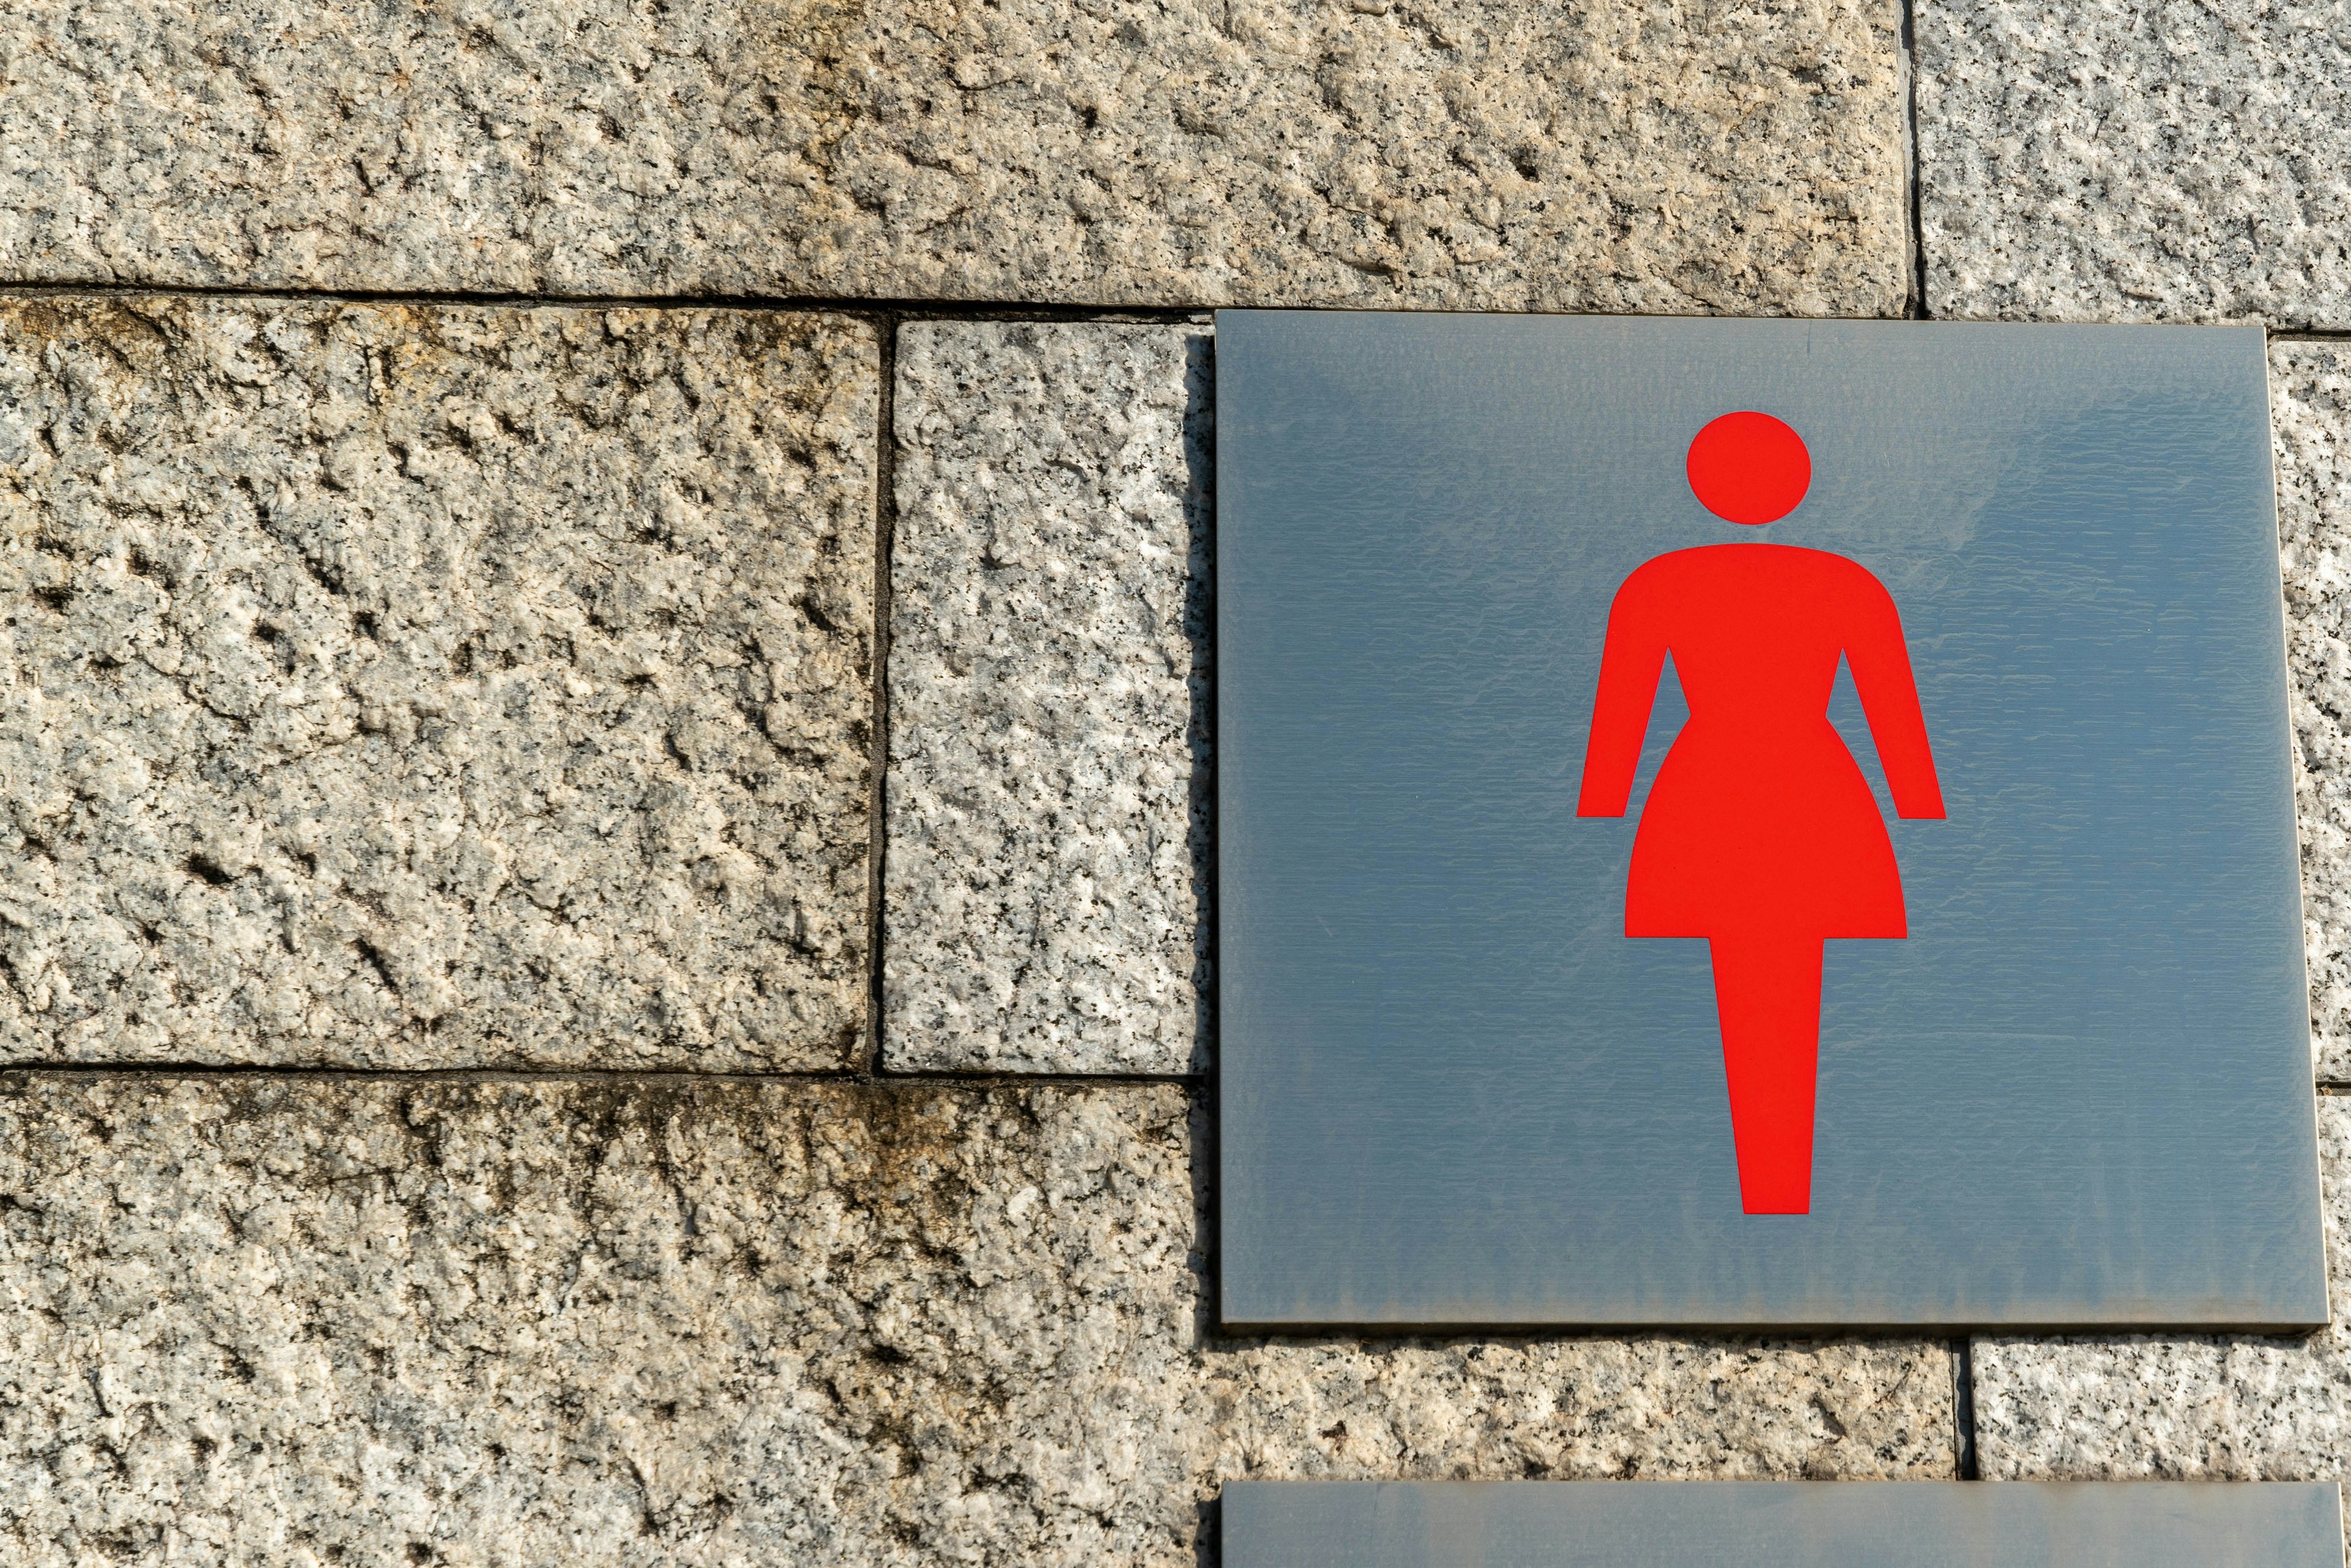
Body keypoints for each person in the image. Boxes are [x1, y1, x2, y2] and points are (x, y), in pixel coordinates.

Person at [1575, 412, 1944, 1214]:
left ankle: (1773, 1196)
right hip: (1813, 786)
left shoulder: (1659, 582)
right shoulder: (1848, 583)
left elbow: (1617, 736)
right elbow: (1898, 731)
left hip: (1707, 785)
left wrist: (1604, 806)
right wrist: (1919, 806)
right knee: (1781, 978)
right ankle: (1774, 1196)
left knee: (1754, 975)